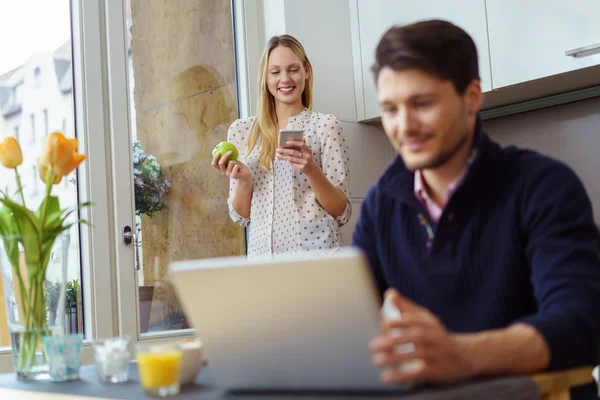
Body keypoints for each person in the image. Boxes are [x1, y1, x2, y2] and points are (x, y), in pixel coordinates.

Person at [352, 20, 600, 397]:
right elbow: (351, 326)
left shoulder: (543, 187)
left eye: (422, 103)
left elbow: (583, 323)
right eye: (390, 109)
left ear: (471, 98)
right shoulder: (379, 204)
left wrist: (461, 354)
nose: (405, 126)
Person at [212, 34, 351, 258]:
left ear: (306, 70)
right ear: (265, 78)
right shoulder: (242, 131)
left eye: (293, 69)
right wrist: (244, 180)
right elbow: (240, 216)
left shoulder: (325, 125)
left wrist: (310, 169)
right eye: (275, 72)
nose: (285, 79)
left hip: (317, 259)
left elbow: (341, 212)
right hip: (263, 264)